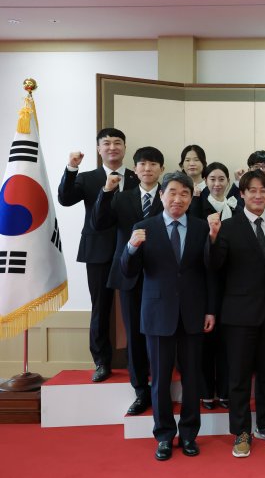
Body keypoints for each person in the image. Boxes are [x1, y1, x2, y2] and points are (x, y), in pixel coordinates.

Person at [120, 171, 216, 461]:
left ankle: (188, 434)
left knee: (192, 379)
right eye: (172, 192)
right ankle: (163, 435)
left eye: (184, 194)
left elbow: (209, 272)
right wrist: (131, 247)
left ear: (190, 197)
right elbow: (127, 271)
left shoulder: (201, 229)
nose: (178, 198)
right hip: (158, 313)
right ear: (161, 195)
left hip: (193, 313)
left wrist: (210, 309)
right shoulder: (143, 227)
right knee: (160, 379)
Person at [208, 170, 265, 458]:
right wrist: (213, 237)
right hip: (239, 314)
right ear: (241, 194)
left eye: (264, 191)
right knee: (239, 377)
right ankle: (241, 431)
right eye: (252, 190)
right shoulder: (227, 227)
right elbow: (215, 268)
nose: (258, 195)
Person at [58, 128, 139, 383]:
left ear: (124, 148)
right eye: (106, 143)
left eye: (117, 143)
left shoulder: (138, 176)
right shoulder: (88, 177)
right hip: (98, 250)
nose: (112, 147)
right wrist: (71, 168)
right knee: (100, 308)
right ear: (98, 149)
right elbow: (65, 198)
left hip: (132, 249)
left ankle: (138, 360)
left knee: (137, 306)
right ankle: (101, 361)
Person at [90, 146, 165, 415]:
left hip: (161, 275)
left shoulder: (171, 197)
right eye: (143, 164)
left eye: (153, 164)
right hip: (129, 274)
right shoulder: (121, 198)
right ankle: (140, 390)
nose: (148, 168)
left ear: (161, 170)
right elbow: (98, 223)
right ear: (135, 170)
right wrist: (106, 191)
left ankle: (161, 387)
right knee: (134, 334)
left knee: (159, 334)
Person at [189, 162, 238, 410]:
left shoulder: (238, 205)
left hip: (233, 281)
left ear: (228, 181)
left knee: (228, 342)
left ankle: (227, 391)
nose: (217, 184)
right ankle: (207, 390)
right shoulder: (197, 205)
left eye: (222, 179)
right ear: (205, 181)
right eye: (212, 179)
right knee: (207, 340)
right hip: (207, 279)